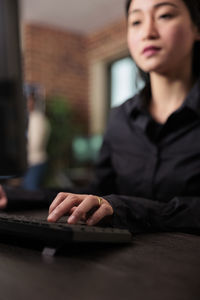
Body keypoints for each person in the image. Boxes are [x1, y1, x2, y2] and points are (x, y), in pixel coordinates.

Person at [1, 0, 200, 234]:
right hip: (126, 262)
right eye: (136, 21)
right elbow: (96, 191)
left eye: (165, 15)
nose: (148, 32)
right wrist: (13, 196)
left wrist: (126, 208)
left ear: (196, 28)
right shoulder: (120, 117)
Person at [22, 89, 51, 190]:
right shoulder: (26, 118)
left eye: (28, 100)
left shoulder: (38, 119)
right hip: (28, 163)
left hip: (36, 163)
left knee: (31, 192)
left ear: (33, 102)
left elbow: (35, 144)